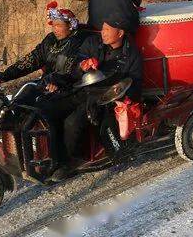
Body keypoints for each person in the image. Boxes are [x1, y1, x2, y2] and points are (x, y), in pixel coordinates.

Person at [0, 3, 91, 172]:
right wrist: (5, 75)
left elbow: (74, 70)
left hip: (73, 89)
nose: (55, 29)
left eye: (59, 25)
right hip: (47, 86)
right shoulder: (50, 41)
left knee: (45, 114)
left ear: (71, 25)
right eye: (53, 25)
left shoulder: (80, 41)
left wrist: (57, 81)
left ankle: (59, 161)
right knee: (18, 105)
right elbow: (31, 60)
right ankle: (20, 153)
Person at [55, 18, 143, 179]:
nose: (102, 33)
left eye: (107, 30)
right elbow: (74, 66)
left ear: (120, 33)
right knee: (54, 110)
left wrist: (126, 97)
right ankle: (53, 156)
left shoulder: (131, 54)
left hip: (107, 97)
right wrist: (83, 66)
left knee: (73, 122)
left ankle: (73, 161)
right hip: (82, 90)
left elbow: (135, 81)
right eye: (102, 29)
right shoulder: (93, 43)